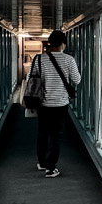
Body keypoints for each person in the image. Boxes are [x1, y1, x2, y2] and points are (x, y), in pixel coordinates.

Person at [31, 29, 81, 178]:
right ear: (63, 44)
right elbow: (77, 80)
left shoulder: (39, 59)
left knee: (43, 132)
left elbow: (31, 78)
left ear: (50, 43)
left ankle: (41, 162)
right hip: (60, 103)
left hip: (43, 103)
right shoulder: (68, 60)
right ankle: (50, 168)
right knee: (56, 135)